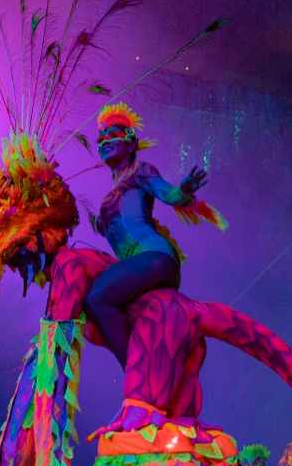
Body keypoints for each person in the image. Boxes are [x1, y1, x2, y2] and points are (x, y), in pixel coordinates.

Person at [83, 103, 224, 368]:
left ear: (132, 143)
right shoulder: (109, 196)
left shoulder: (141, 172)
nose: (104, 142)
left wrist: (185, 189)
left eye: (113, 135)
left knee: (96, 298)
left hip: (154, 259)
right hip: (139, 265)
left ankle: (136, 370)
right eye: (100, 139)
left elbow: (170, 195)